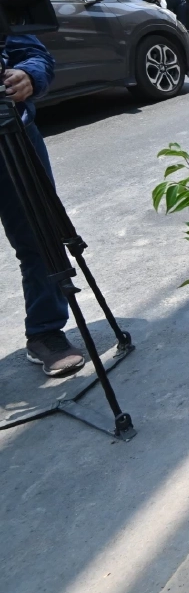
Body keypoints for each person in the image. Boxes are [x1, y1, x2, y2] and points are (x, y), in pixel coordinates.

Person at [0, 34, 86, 377]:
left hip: (11, 132)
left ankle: (45, 330)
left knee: (40, 236)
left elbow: (31, 50)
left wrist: (28, 75)